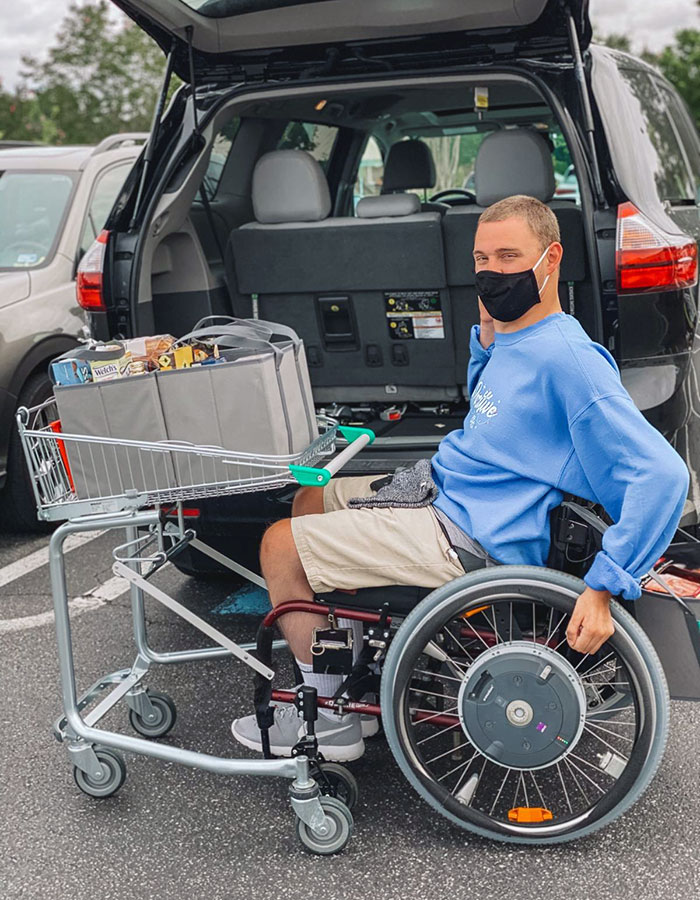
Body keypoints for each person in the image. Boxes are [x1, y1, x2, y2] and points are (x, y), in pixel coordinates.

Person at [232, 194, 689, 762]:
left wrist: (603, 587)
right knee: (311, 496)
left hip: (477, 534)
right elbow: (495, 419)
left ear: (551, 259)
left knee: (280, 546)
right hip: (452, 493)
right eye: (481, 260)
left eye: (507, 256)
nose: (491, 273)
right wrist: (487, 343)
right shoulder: (516, 335)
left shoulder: (568, 359)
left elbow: (663, 474)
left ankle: (328, 718)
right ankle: (350, 674)